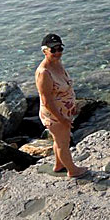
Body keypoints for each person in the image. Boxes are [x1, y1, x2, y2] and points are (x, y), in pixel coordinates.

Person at [35, 33, 88, 179]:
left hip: (65, 111)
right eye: (53, 50)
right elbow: (47, 101)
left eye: (60, 48)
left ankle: (59, 165)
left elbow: (65, 87)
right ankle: (72, 170)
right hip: (55, 115)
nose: (57, 52)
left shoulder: (56, 63)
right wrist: (62, 119)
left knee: (59, 140)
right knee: (63, 143)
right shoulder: (44, 73)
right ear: (45, 51)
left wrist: (73, 104)